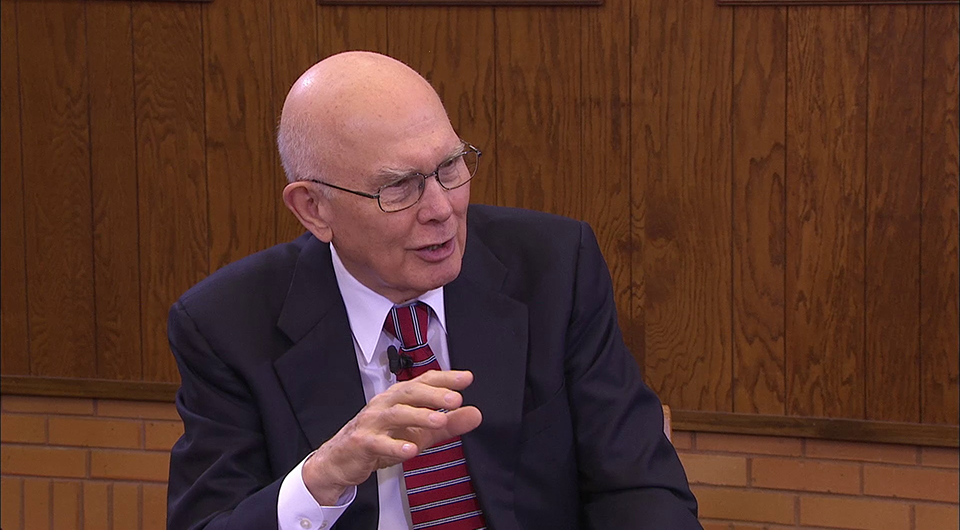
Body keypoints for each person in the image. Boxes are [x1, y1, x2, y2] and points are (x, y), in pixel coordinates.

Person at [166, 51, 701, 530]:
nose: (442, 209)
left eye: (450, 167)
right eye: (398, 187)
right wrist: (322, 476)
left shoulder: (555, 267)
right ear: (313, 208)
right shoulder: (225, 324)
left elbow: (638, 484)